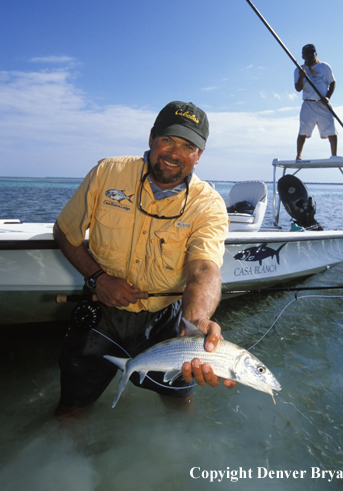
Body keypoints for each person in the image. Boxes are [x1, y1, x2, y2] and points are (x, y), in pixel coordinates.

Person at [53, 100, 235, 418]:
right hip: (101, 313)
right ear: (151, 139)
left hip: (167, 318)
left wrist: (195, 324)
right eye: (167, 140)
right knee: (72, 405)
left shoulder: (209, 204)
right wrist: (98, 278)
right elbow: (65, 231)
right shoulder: (107, 173)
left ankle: (180, 457)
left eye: (188, 146)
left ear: (199, 155)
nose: (174, 153)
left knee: (179, 402)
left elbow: (204, 268)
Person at [294, 44, 337, 160]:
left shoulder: (324, 66)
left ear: (316, 54)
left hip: (323, 103)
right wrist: (302, 77)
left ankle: (334, 156)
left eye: (312, 53)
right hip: (308, 104)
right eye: (307, 53)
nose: (310, 55)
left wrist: (328, 97)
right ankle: (299, 156)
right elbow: (298, 88)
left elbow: (332, 82)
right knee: (303, 129)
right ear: (303, 56)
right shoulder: (299, 69)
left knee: (331, 129)